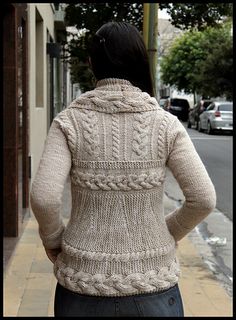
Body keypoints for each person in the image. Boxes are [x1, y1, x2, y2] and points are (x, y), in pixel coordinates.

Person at [30, 21, 216, 317]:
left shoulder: (69, 122)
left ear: (91, 63)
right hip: (153, 285)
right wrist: (165, 233)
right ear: (139, 62)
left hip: (82, 284)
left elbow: (43, 197)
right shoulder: (165, 123)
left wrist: (53, 239)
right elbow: (203, 198)